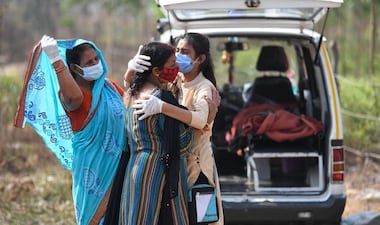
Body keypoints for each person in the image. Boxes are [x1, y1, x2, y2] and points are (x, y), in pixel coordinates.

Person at [14, 35, 128, 225]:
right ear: (75, 68)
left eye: (96, 59)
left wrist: (131, 74)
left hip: (121, 169)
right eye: (88, 62)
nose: (95, 64)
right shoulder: (73, 95)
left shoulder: (110, 88)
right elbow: (74, 98)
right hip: (93, 172)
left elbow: (130, 107)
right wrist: (56, 61)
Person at [129, 32, 224, 225]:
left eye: (185, 52)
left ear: (200, 59)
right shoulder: (175, 81)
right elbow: (135, 90)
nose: (179, 55)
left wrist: (162, 107)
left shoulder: (204, 88)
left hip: (197, 167)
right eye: (177, 50)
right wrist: (132, 70)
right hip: (178, 164)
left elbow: (199, 120)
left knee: (202, 220)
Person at [119, 41, 193, 225]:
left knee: (136, 217)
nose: (176, 69)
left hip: (134, 168)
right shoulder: (161, 100)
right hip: (160, 170)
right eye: (172, 65)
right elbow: (183, 143)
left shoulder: (129, 95)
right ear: (156, 71)